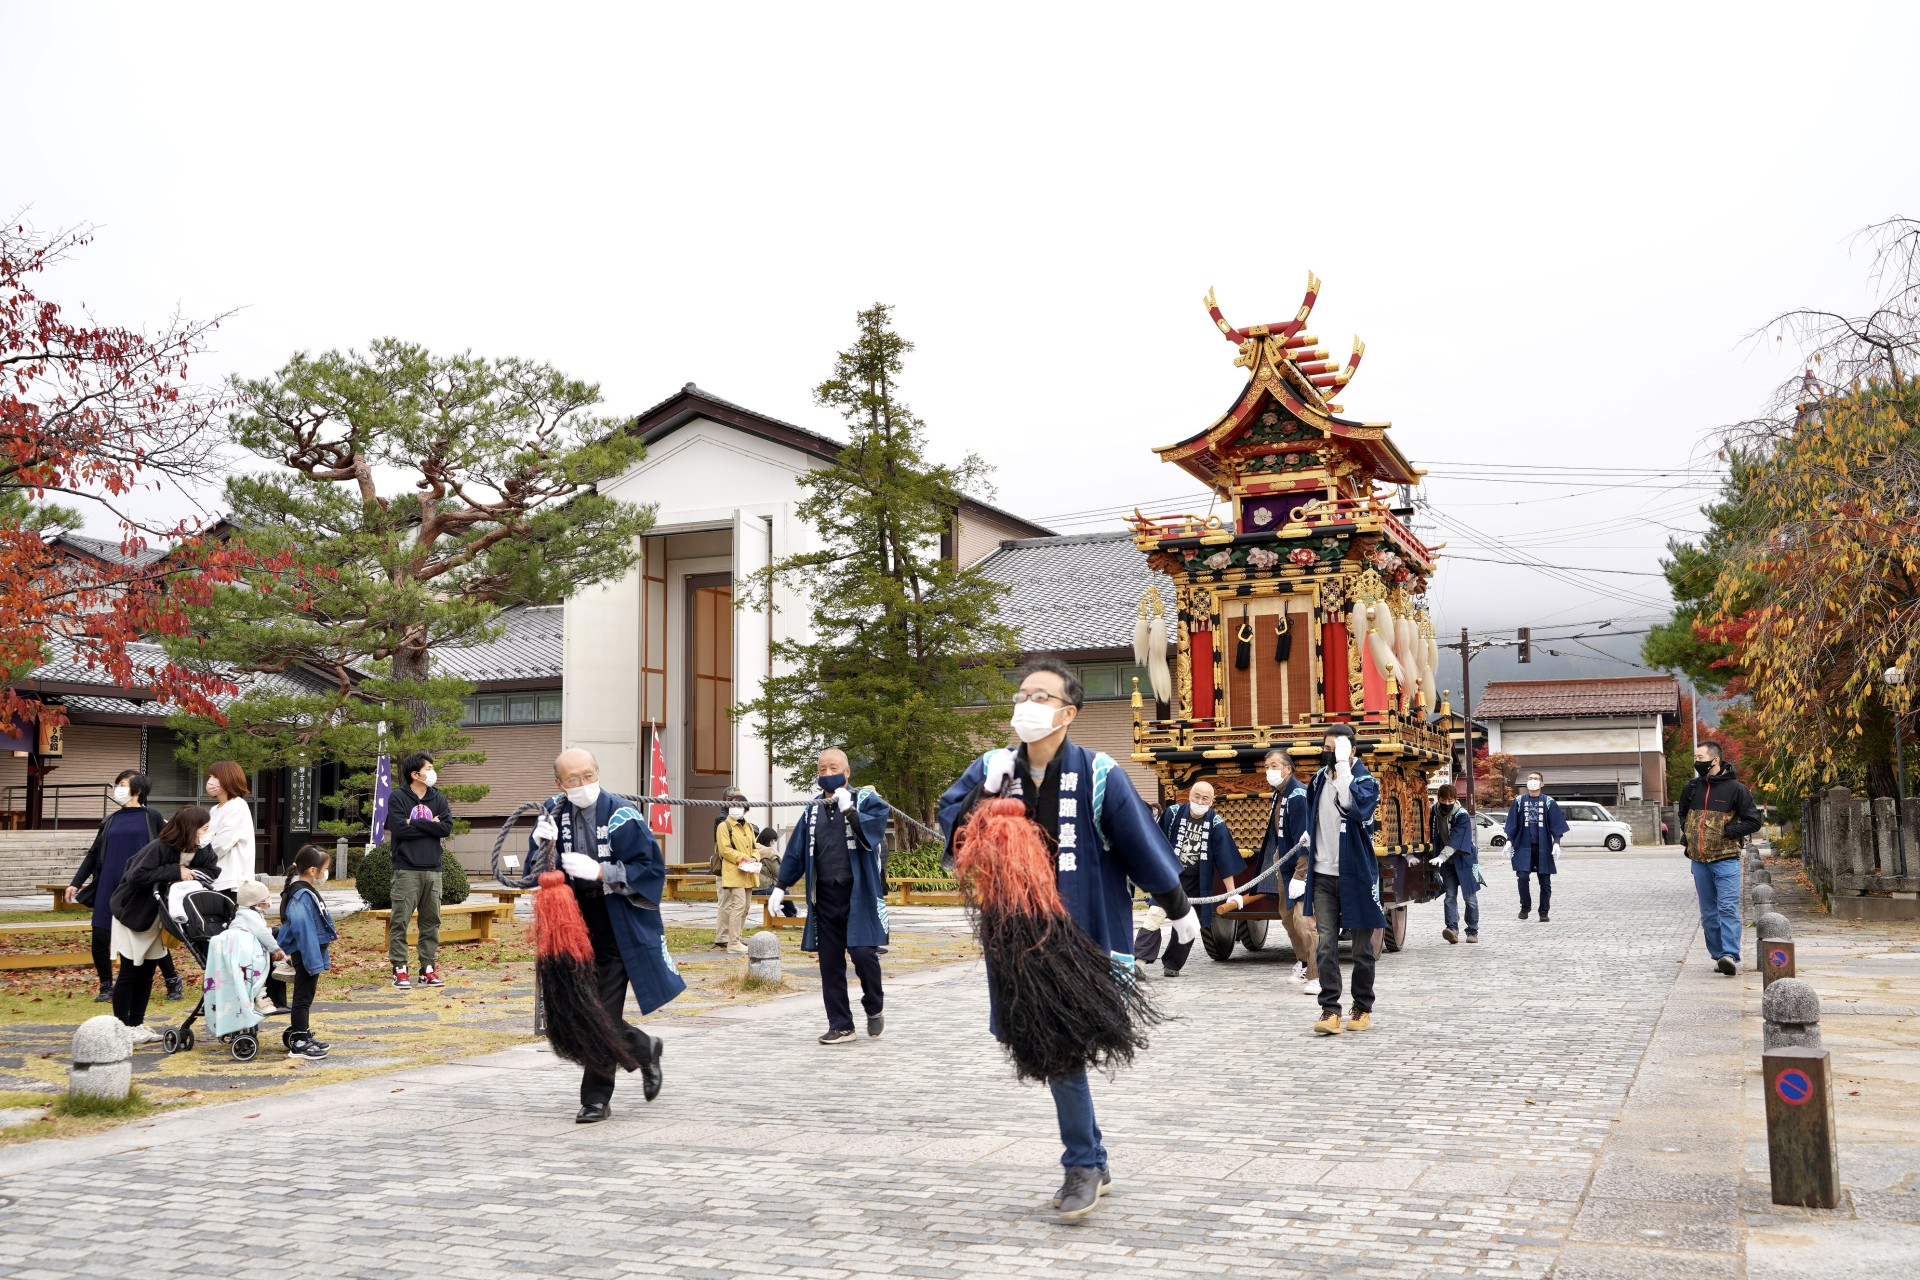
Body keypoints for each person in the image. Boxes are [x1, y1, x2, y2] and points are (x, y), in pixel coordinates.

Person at [939, 659, 1195, 1221]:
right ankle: (1093, 1160)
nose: (1026, 704)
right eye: (1022, 694)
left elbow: (1139, 845)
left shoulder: (1099, 772)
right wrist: (978, 813)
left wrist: (1176, 907)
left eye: (1041, 695)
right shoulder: (993, 767)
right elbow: (951, 825)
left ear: (1068, 712)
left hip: (1081, 935)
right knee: (1054, 1048)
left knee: (1064, 1049)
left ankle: (1082, 1164)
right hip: (1015, 936)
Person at [528, 748, 678, 1121]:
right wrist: (538, 841)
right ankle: (644, 1048)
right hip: (569, 920)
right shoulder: (552, 811)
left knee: (601, 1010)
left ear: (597, 773)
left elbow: (650, 867)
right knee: (575, 1007)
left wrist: (601, 872)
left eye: (589, 775)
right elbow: (536, 873)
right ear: (559, 783)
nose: (583, 785)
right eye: (573, 779)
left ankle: (595, 1098)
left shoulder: (623, 814)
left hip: (615, 918)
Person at [770, 749, 889, 1045]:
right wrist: (780, 885)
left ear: (847, 772)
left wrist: (852, 812)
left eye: (832, 767)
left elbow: (875, 832)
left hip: (858, 893)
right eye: (821, 769)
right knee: (829, 962)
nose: (826, 773)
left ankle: (874, 1005)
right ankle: (841, 1024)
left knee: (863, 954)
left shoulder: (865, 800)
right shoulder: (812, 809)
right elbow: (796, 850)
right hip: (824, 895)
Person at [67, 770, 182, 1003]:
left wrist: (170, 875)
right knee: (100, 935)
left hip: (139, 887)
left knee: (146, 935)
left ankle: (172, 979)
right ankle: (106, 986)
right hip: (107, 885)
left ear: (138, 790)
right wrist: (75, 883)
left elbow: (168, 849)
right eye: (117, 784)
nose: (117, 788)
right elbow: (93, 854)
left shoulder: (152, 817)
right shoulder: (110, 820)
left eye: (122, 784)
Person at [107, 804, 216, 1045]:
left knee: (147, 971)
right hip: (133, 914)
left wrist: (188, 872)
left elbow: (212, 871)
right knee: (129, 970)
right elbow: (136, 875)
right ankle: (121, 1027)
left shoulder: (201, 850)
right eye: (204, 828)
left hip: (160, 918)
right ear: (191, 829)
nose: (207, 832)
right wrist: (175, 871)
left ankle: (137, 1024)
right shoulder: (160, 847)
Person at [1303, 724, 1383, 1036]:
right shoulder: (1316, 781)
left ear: (1352, 751)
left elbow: (1353, 807)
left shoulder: (1365, 780)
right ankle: (1329, 1009)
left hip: (1357, 874)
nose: (1331, 753)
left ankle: (1361, 1006)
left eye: (1338, 748)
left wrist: (1341, 767)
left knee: (1362, 950)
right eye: (1327, 747)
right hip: (1323, 874)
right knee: (1325, 944)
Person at [1676, 742, 1763, 977]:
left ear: (1714, 760)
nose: (1697, 761)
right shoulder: (1692, 788)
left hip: (1726, 859)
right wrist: (1689, 831)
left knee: (1727, 908)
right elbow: (1682, 813)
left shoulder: (1737, 789)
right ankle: (1718, 956)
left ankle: (1730, 955)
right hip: (1698, 860)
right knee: (1708, 914)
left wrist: (1727, 832)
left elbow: (1754, 821)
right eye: (1696, 756)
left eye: (1700, 757)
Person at [1153, 779, 1244, 978]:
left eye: (1205, 798)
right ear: (1190, 795)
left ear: (1211, 802)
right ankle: (1140, 957)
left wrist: (1232, 893)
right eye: (1196, 796)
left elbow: (1225, 858)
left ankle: (1172, 964)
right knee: (1154, 916)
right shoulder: (1174, 812)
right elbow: (1156, 842)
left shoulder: (1215, 822)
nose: (1200, 801)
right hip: (1170, 877)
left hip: (1196, 881)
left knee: (1188, 923)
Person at [385, 751, 453, 990]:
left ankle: (427, 969)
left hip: (433, 869)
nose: (432, 772)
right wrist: (429, 825)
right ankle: (400, 969)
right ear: (415, 774)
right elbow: (399, 830)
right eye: (428, 768)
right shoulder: (397, 798)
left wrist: (413, 822)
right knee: (400, 921)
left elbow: (445, 828)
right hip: (406, 869)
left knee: (431, 921)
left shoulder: (438, 799)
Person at [1260, 748, 1318, 995]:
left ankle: (1317, 974)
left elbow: (1306, 840)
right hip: (1284, 863)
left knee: (1304, 921)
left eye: (1274, 765)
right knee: (1286, 917)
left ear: (1288, 768)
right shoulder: (1279, 794)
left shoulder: (1298, 795)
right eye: (1266, 767)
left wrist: (1300, 875)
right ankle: (1303, 962)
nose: (1269, 771)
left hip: (1302, 866)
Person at [278, 845, 338, 1060]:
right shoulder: (302, 895)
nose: (326, 873)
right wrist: (312, 959)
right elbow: (303, 930)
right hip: (306, 952)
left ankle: (302, 1033)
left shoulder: (303, 890)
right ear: (313, 870)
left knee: (306, 996)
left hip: (309, 951)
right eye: (325, 868)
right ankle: (300, 1041)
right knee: (303, 998)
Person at [1503, 772, 1567, 922]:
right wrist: (1509, 840)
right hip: (1523, 846)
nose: (1533, 781)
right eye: (1530, 779)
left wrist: (1556, 842)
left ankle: (1544, 911)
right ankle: (1525, 906)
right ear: (1526, 782)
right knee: (1522, 877)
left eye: (1536, 779)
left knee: (1545, 881)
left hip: (1543, 846)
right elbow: (1512, 823)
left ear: (1542, 784)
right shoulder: (1518, 801)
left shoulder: (1549, 802)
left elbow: (1556, 824)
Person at [1429, 784, 1480, 944]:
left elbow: (1457, 839)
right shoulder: (1434, 811)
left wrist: (1441, 857)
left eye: (1450, 800)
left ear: (1455, 799)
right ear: (1439, 799)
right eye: (1443, 799)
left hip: (1466, 860)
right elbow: (1430, 833)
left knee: (1470, 898)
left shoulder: (1462, 815)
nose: (1447, 803)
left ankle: (1472, 931)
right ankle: (1452, 929)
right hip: (1447, 863)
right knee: (1450, 896)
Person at [712, 787, 758, 953]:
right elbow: (724, 850)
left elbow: (754, 846)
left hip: (748, 871)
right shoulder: (724, 825)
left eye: (740, 807)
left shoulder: (748, 827)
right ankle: (732, 942)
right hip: (733, 870)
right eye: (734, 805)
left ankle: (735, 938)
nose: (736, 809)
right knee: (737, 905)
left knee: (745, 907)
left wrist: (754, 857)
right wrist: (742, 858)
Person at [203, 761, 255, 892]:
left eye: (215, 777)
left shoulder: (237, 805)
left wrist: (198, 855)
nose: (210, 781)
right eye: (210, 776)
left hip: (231, 882)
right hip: (218, 878)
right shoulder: (215, 809)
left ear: (228, 779)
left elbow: (221, 845)